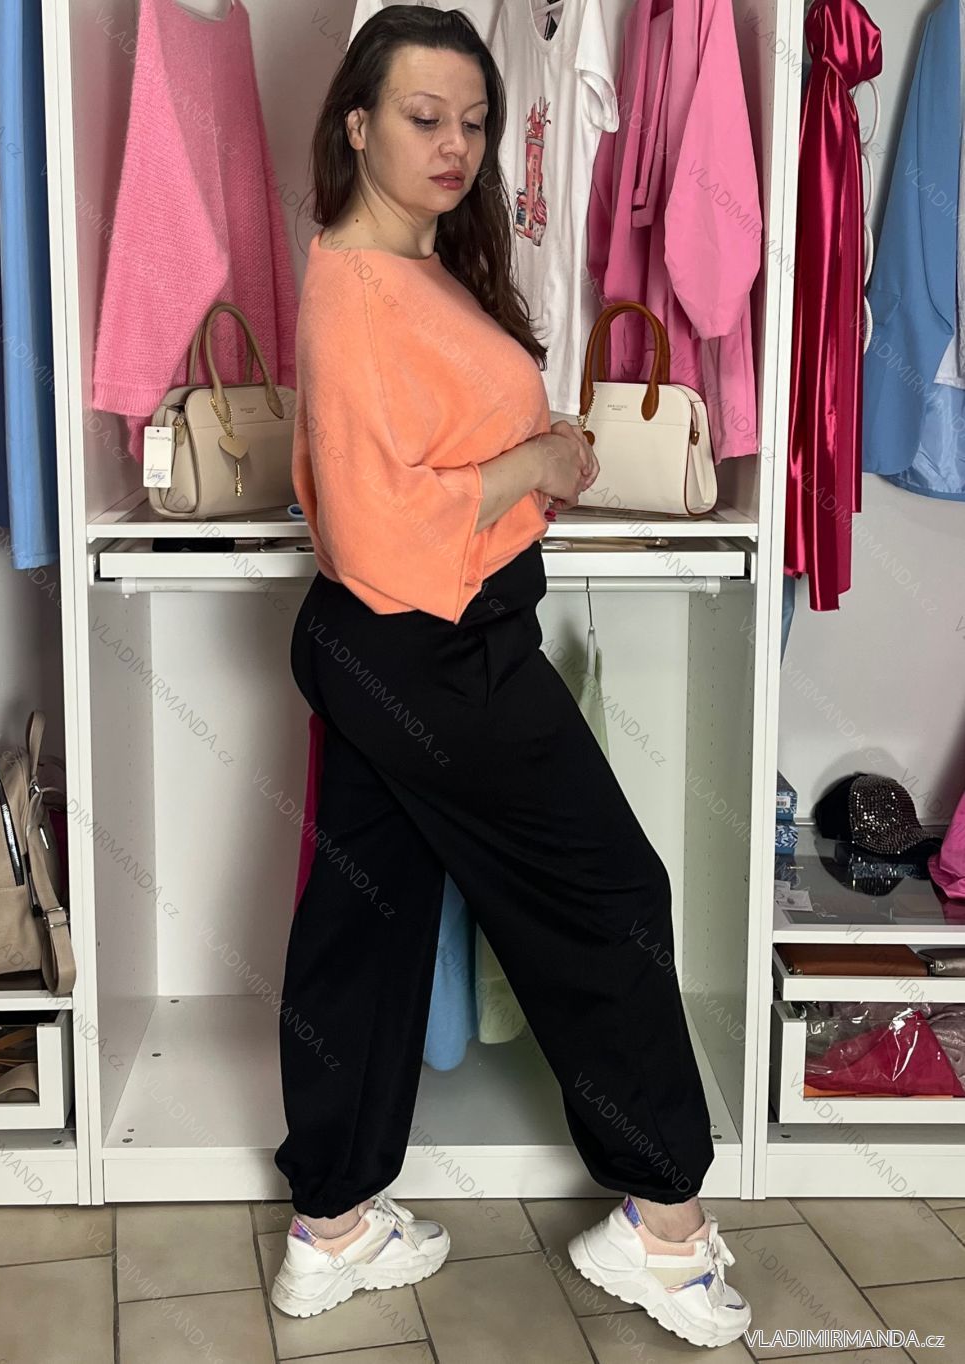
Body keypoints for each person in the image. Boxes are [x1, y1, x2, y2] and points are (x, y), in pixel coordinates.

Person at [269, 5, 751, 1350]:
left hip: (402, 643)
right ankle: (665, 1232)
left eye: (476, 123)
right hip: (432, 648)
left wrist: (532, 451)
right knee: (610, 896)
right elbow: (374, 525)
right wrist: (534, 462)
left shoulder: (412, 269)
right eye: (423, 118)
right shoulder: (357, 285)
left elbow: (417, 460)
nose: (456, 145)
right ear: (356, 124)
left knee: (365, 929)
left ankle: (331, 1225)